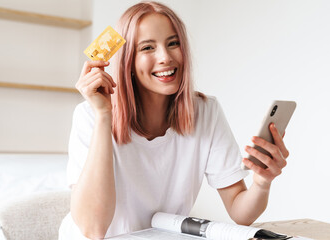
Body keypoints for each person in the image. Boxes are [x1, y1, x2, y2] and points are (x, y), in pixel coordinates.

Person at [58, 1, 289, 240]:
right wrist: (104, 116)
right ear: (128, 61)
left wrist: (262, 182)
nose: (165, 57)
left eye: (173, 43)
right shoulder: (90, 115)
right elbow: (93, 230)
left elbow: (241, 213)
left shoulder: (206, 112)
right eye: (147, 48)